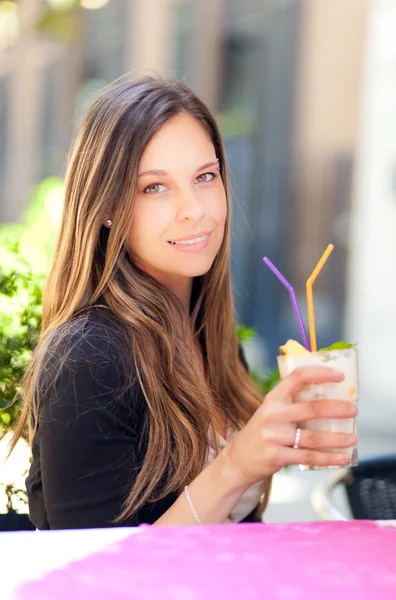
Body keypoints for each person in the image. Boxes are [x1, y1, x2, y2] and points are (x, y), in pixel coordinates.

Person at [9, 77, 358, 529]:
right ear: (107, 207)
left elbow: (240, 532)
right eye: (154, 187)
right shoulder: (88, 357)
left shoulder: (207, 333)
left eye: (205, 176)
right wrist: (235, 467)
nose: (193, 208)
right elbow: (100, 576)